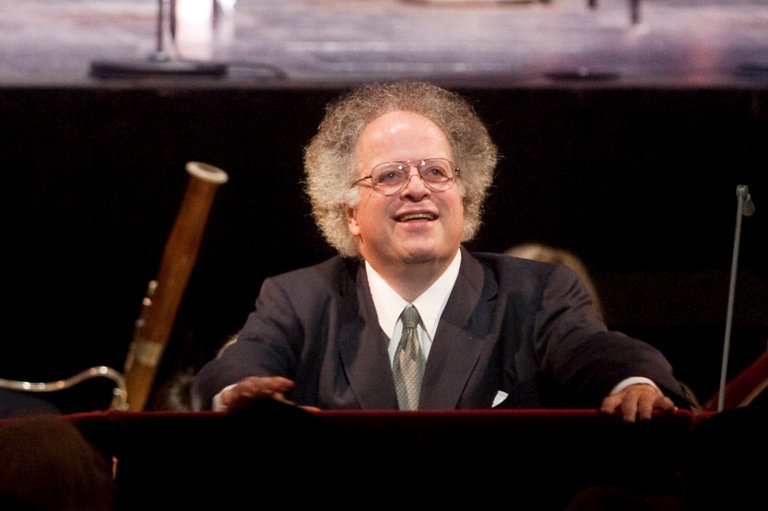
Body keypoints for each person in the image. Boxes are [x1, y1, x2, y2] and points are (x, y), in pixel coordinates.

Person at [192, 81, 689, 422]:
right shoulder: (299, 298)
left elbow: (593, 350)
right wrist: (237, 393)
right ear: (347, 213)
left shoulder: (536, 293)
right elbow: (237, 367)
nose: (416, 189)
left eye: (436, 171)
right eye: (389, 175)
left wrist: (633, 383)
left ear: (464, 195)